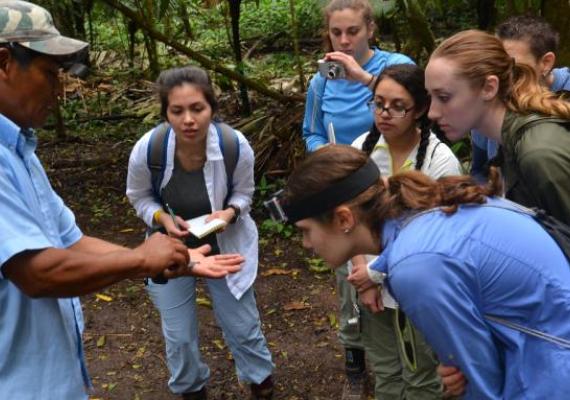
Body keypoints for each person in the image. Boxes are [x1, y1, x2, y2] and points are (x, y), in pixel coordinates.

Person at [0, 2, 244, 400]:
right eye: (49, 74)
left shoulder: (19, 153)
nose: (59, 90)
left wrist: (166, 257)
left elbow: (72, 243)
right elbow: (36, 272)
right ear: (4, 62)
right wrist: (141, 258)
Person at [279, 144, 570, 399]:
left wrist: (465, 371)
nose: (306, 244)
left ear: (344, 218)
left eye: (306, 231)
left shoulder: (415, 266)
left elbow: (484, 385)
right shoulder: (426, 215)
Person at [126, 65, 274, 400]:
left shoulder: (234, 145)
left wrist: (231, 212)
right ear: (166, 112)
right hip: (169, 246)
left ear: (212, 108)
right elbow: (139, 197)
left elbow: (244, 193)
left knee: (241, 324)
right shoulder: (149, 149)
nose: (188, 119)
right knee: (178, 334)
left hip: (224, 243)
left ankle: (259, 381)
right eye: (177, 111)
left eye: (197, 109)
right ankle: (191, 389)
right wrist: (163, 218)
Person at [301, 1, 413, 397]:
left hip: (391, 188)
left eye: (353, 31)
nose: (345, 40)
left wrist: (362, 76)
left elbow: (413, 107)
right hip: (343, 191)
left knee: (398, 268)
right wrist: (329, 158)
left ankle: (413, 360)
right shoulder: (322, 81)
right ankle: (357, 363)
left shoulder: (395, 65)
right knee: (352, 278)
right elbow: (311, 131)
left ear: (370, 30)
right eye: (337, 33)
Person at [350, 64, 461, 399]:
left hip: (416, 288)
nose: (385, 113)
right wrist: (361, 273)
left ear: (421, 109)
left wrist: (375, 274)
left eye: (398, 106)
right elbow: (349, 217)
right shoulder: (362, 149)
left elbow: (436, 237)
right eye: (378, 103)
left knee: (421, 376)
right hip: (367, 282)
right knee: (385, 372)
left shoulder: (440, 162)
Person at [425, 29, 570, 225]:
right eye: (430, 97)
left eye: (444, 97)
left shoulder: (538, 154)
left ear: (489, 88)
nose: (432, 112)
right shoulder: (508, 143)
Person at [471, 15, 570, 181]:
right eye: (496, 65)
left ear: (546, 62)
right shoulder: (489, 100)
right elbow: (480, 171)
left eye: (512, 67)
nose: (501, 75)